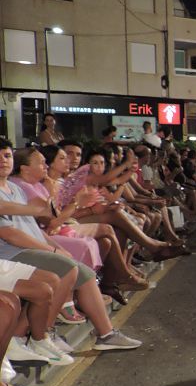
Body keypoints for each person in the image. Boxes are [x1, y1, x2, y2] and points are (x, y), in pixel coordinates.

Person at [0, 139, 142, 350]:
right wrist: (52, 244)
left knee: (82, 271)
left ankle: (105, 333)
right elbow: (12, 232)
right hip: (14, 252)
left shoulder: (15, 187)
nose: (4, 160)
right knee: (67, 268)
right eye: (43, 163)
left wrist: (54, 246)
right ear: (25, 168)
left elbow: (36, 226)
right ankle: (36, 336)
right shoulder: (24, 186)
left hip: (35, 244)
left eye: (7, 155)